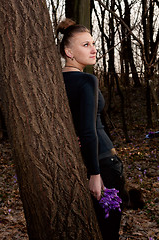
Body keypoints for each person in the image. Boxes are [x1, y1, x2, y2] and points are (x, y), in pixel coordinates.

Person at [57, 18, 126, 240]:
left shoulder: (55, 82)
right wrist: (96, 175)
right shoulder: (87, 80)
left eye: (93, 43)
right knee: (108, 232)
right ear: (68, 52)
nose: (94, 49)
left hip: (82, 161)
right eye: (85, 45)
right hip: (104, 164)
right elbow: (88, 130)